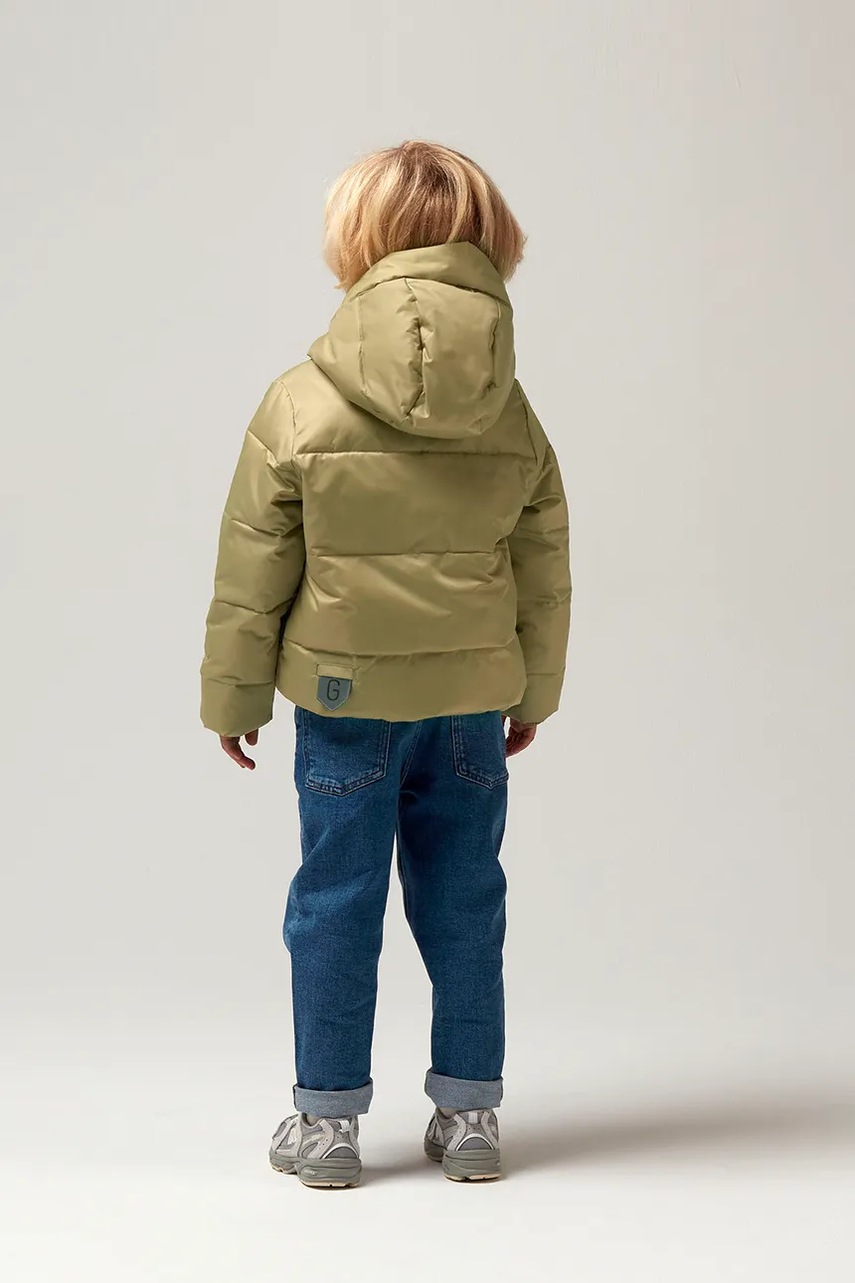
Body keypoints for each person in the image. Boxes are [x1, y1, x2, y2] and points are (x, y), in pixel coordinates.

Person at [199, 140, 572, 1188]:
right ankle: (471, 1114)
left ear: (355, 242)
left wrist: (232, 695)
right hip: (470, 700)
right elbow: (542, 561)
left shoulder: (298, 399)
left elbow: (252, 565)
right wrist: (533, 689)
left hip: (343, 697)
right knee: (466, 898)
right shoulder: (509, 405)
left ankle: (326, 1126)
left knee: (334, 898)